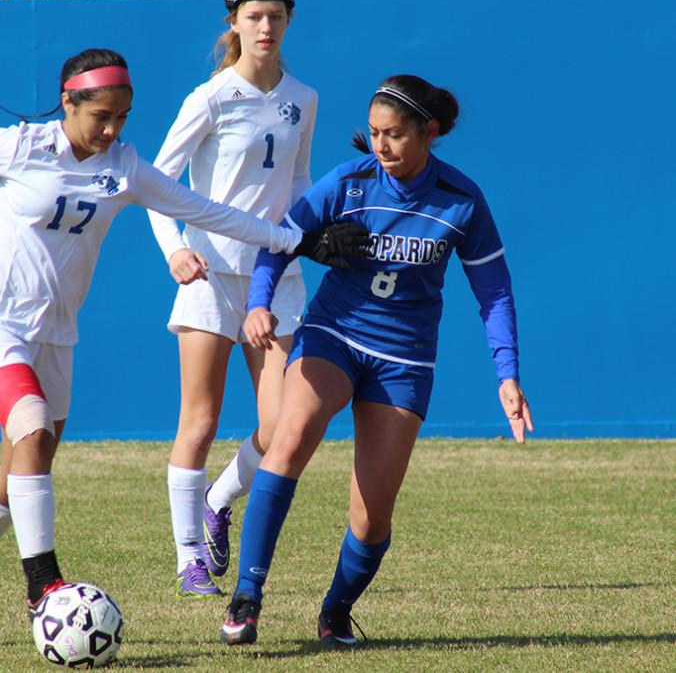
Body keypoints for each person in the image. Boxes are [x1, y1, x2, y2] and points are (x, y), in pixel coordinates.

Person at [0, 48, 369, 635]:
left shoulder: (126, 166)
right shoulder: (21, 147)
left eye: (123, 117)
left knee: (24, 461)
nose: (112, 129)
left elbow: (210, 212)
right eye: (101, 116)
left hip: (57, 334)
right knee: (33, 427)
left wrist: (295, 241)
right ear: (68, 102)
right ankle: (43, 586)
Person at [218, 74, 535, 646]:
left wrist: (507, 374)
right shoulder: (349, 182)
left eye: (393, 134)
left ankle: (335, 612)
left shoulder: (460, 200)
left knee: (371, 518)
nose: (381, 145)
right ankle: (247, 598)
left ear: (428, 132)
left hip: (405, 359)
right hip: (334, 333)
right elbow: (278, 241)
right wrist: (258, 304)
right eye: (373, 132)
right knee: (289, 439)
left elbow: (494, 291)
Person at [146, 0, 318, 598]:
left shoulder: (304, 96)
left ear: (288, 20)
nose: (265, 26)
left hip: (275, 278)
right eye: (254, 17)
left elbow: (299, 181)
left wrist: (307, 232)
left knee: (281, 428)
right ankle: (189, 557)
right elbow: (157, 185)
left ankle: (218, 501)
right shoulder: (210, 97)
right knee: (200, 420)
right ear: (235, 23)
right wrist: (175, 251)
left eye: (275, 16)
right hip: (209, 275)